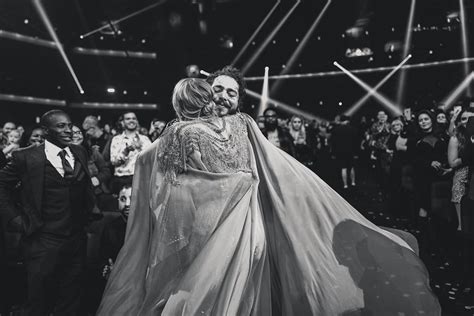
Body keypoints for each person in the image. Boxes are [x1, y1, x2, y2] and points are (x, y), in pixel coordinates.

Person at [98, 77, 440, 315]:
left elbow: (278, 165)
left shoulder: (243, 123)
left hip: (248, 220)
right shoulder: (183, 129)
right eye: (217, 89)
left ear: (239, 99)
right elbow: (153, 161)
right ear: (204, 95)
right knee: (204, 286)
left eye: (231, 92)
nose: (223, 97)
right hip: (202, 226)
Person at [0, 110, 95, 315]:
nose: (68, 130)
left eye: (69, 125)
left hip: (76, 240)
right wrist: (17, 220)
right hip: (42, 240)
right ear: (46, 130)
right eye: (61, 126)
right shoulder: (25, 157)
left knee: (71, 301)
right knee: (40, 302)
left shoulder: (79, 152)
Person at [109, 112, 152, 193]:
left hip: (140, 178)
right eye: (128, 119)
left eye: (133, 118)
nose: (131, 121)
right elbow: (113, 162)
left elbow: (151, 160)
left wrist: (141, 148)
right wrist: (126, 151)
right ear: (122, 122)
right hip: (121, 179)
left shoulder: (144, 139)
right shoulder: (116, 139)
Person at [100, 185, 131, 280]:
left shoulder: (146, 226)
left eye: (132, 199)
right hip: (117, 279)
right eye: (123, 199)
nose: (127, 204)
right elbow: (103, 257)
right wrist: (107, 269)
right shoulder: (110, 227)